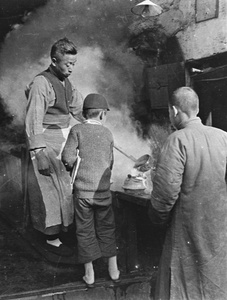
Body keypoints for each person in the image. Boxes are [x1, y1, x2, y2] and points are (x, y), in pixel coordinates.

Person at [148, 87, 227, 300]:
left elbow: (165, 194)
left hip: (188, 227)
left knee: (183, 285)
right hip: (219, 226)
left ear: (174, 110)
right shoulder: (223, 137)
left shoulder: (177, 140)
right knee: (216, 280)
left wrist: (157, 218)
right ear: (197, 108)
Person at [25, 37, 84, 256]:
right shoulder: (42, 82)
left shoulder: (67, 84)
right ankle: (51, 237)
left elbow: (79, 110)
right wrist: (38, 152)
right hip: (44, 138)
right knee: (49, 188)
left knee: (66, 186)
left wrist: (94, 119)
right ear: (54, 60)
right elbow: (33, 119)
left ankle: (65, 229)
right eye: (67, 63)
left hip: (63, 137)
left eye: (73, 64)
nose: (71, 68)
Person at [62, 93, 120, 287]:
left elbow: (67, 158)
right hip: (103, 192)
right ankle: (114, 270)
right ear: (102, 115)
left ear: (84, 113)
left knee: (85, 231)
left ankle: (90, 274)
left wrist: (73, 168)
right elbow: (110, 163)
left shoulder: (76, 130)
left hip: (83, 194)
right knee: (107, 228)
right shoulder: (108, 133)